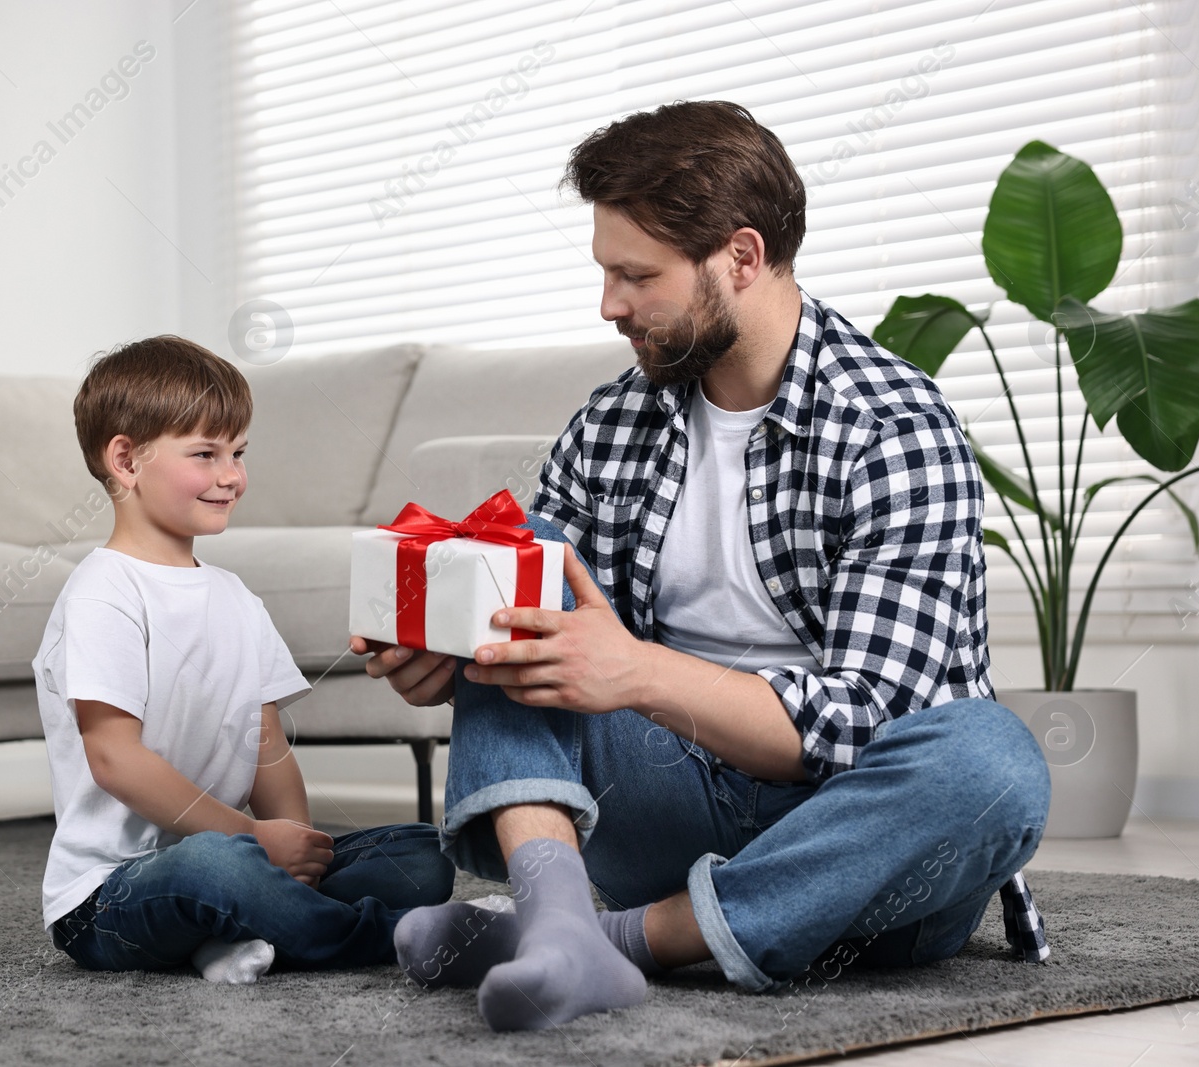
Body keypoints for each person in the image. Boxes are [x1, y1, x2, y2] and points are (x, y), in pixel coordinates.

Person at [349, 100, 1050, 1032]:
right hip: (670, 795)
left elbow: (861, 728)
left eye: (636, 275)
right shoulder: (612, 422)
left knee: (996, 763)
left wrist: (633, 668)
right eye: (606, 273)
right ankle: (561, 921)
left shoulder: (893, 430)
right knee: (529, 572)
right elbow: (537, 626)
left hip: (857, 845)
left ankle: (619, 940)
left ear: (743, 257)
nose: (610, 305)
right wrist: (444, 653)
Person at [35, 335, 454, 983]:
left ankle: (254, 924)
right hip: (110, 896)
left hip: (238, 854)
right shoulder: (103, 591)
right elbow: (115, 758)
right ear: (125, 459)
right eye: (205, 453)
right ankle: (392, 937)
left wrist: (293, 845)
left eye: (237, 452)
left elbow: (266, 742)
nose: (231, 474)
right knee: (214, 868)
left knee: (424, 854)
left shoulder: (235, 596)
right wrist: (252, 841)